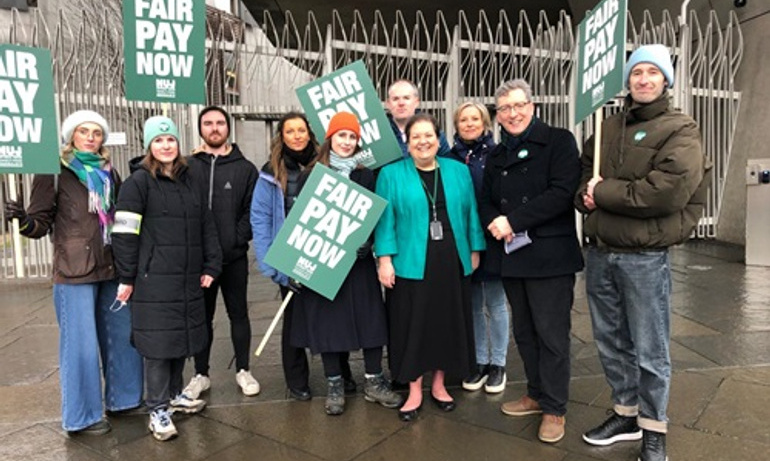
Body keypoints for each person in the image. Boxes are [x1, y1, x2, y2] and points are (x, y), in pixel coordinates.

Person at [576, 44, 709, 461]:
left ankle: (654, 429)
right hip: (601, 253)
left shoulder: (680, 130)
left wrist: (602, 192)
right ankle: (626, 412)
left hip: (644, 257)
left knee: (650, 348)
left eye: (653, 72)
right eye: (637, 72)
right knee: (611, 341)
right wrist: (584, 195)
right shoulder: (608, 126)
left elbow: (666, 191)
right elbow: (584, 178)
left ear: (666, 80)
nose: (644, 79)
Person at [2, 110, 144, 436]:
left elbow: (121, 218)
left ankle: (125, 400)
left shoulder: (111, 172)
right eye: (84, 131)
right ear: (72, 136)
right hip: (73, 269)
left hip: (111, 266)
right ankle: (82, 417)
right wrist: (23, 220)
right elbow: (39, 224)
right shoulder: (54, 171)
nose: (91, 137)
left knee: (122, 337)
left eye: (97, 132)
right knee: (79, 346)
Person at [480, 79, 583, 444]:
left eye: (518, 105)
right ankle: (536, 393)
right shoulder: (496, 154)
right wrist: (494, 219)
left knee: (551, 335)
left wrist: (514, 221)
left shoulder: (559, 141)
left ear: (533, 106)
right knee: (524, 332)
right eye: (504, 108)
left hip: (550, 257)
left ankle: (555, 408)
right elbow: (487, 198)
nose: (512, 113)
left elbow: (561, 192)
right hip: (512, 255)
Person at [112, 116, 222, 441]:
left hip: (187, 277)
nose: (165, 146)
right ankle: (157, 409)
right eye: (158, 141)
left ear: (178, 143)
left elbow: (207, 225)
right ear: (149, 146)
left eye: (170, 140)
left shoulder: (191, 180)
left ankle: (174, 395)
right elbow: (124, 234)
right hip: (153, 279)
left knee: (180, 339)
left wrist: (211, 265)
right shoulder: (137, 183)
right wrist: (127, 276)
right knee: (159, 345)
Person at [290, 111, 403, 416]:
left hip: (359, 263)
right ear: (330, 138)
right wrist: (296, 263)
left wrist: (371, 243)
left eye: (352, 137)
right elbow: (300, 221)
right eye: (342, 135)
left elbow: (376, 215)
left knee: (370, 320)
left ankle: (374, 381)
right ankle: (335, 385)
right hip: (324, 261)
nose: (347, 141)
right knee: (328, 323)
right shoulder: (310, 175)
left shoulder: (366, 175)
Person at [375, 112, 486, 422]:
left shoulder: (457, 171)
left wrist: (476, 248)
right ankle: (413, 389)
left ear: (438, 140)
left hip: (452, 258)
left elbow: (470, 213)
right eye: (416, 137)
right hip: (410, 261)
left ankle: (438, 385)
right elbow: (385, 222)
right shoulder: (391, 174)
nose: (423, 141)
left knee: (446, 323)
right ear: (407, 144)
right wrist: (384, 259)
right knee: (412, 326)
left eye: (429, 135)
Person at [250, 112, 355, 401]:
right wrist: (271, 264)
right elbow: (260, 218)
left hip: (323, 252)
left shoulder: (328, 164)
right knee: (295, 319)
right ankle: (297, 380)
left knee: (332, 316)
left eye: (301, 130)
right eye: (289, 131)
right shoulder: (269, 172)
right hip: (290, 257)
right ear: (281, 136)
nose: (296, 136)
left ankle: (342, 373)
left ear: (309, 133)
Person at [183, 106, 260, 399]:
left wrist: (235, 241)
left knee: (238, 313)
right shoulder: (187, 166)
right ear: (200, 128)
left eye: (219, 123)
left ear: (228, 128)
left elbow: (251, 212)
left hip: (233, 258)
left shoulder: (245, 168)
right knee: (201, 317)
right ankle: (200, 374)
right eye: (208, 124)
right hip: (199, 261)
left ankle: (244, 369)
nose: (214, 128)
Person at [448, 101, 510, 394]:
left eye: (475, 119)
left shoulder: (498, 154)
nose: (469, 124)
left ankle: (498, 363)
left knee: (496, 302)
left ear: (485, 123)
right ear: (456, 125)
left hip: (492, 235)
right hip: (461, 238)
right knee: (472, 303)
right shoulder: (449, 157)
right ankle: (480, 361)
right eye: (463, 120)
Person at [386, 79, 451, 158]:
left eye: (406, 98)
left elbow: (447, 164)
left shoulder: (433, 131)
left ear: (416, 102)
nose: (401, 103)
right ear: (388, 104)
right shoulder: (380, 134)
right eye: (395, 99)